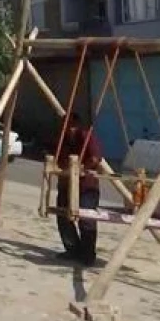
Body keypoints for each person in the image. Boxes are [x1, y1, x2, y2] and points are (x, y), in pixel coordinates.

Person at [56, 112, 103, 266]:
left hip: (86, 185)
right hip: (67, 183)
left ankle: (88, 254)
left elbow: (95, 158)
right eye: (66, 126)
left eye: (71, 126)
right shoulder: (62, 140)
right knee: (62, 215)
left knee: (86, 219)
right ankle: (72, 249)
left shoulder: (85, 136)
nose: (69, 129)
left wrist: (81, 168)